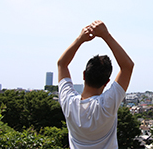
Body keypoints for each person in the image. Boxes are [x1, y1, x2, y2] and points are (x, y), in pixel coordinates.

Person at [57, 20, 134, 149]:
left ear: (84, 75)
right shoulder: (107, 105)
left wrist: (80, 39)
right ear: (107, 82)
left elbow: (61, 64)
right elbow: (128, 67)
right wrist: (105, 35)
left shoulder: (69, 102)